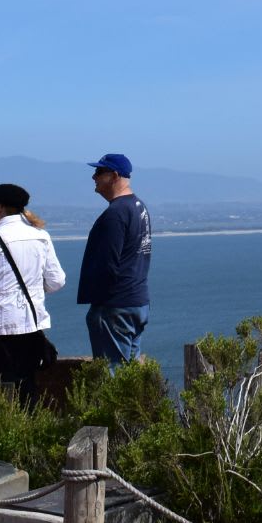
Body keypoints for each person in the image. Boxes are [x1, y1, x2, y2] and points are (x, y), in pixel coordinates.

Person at [0, 184, 65, 403]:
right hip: (31, 324)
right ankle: (30, 431)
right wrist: (36, 289)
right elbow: (57, 281)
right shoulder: (41, 236)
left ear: (0, 207)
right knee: (27, 385)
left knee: (0, 390)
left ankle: (5, 432)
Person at [76, 153, 152, 366]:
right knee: (131, 375)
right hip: (137, 301)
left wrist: (99, 304)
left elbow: (108, 263)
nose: (94, 177)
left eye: (99, 172)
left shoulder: (116, 213)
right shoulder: (139, 207)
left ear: (115, 175)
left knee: (112, 377)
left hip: (115, 306)